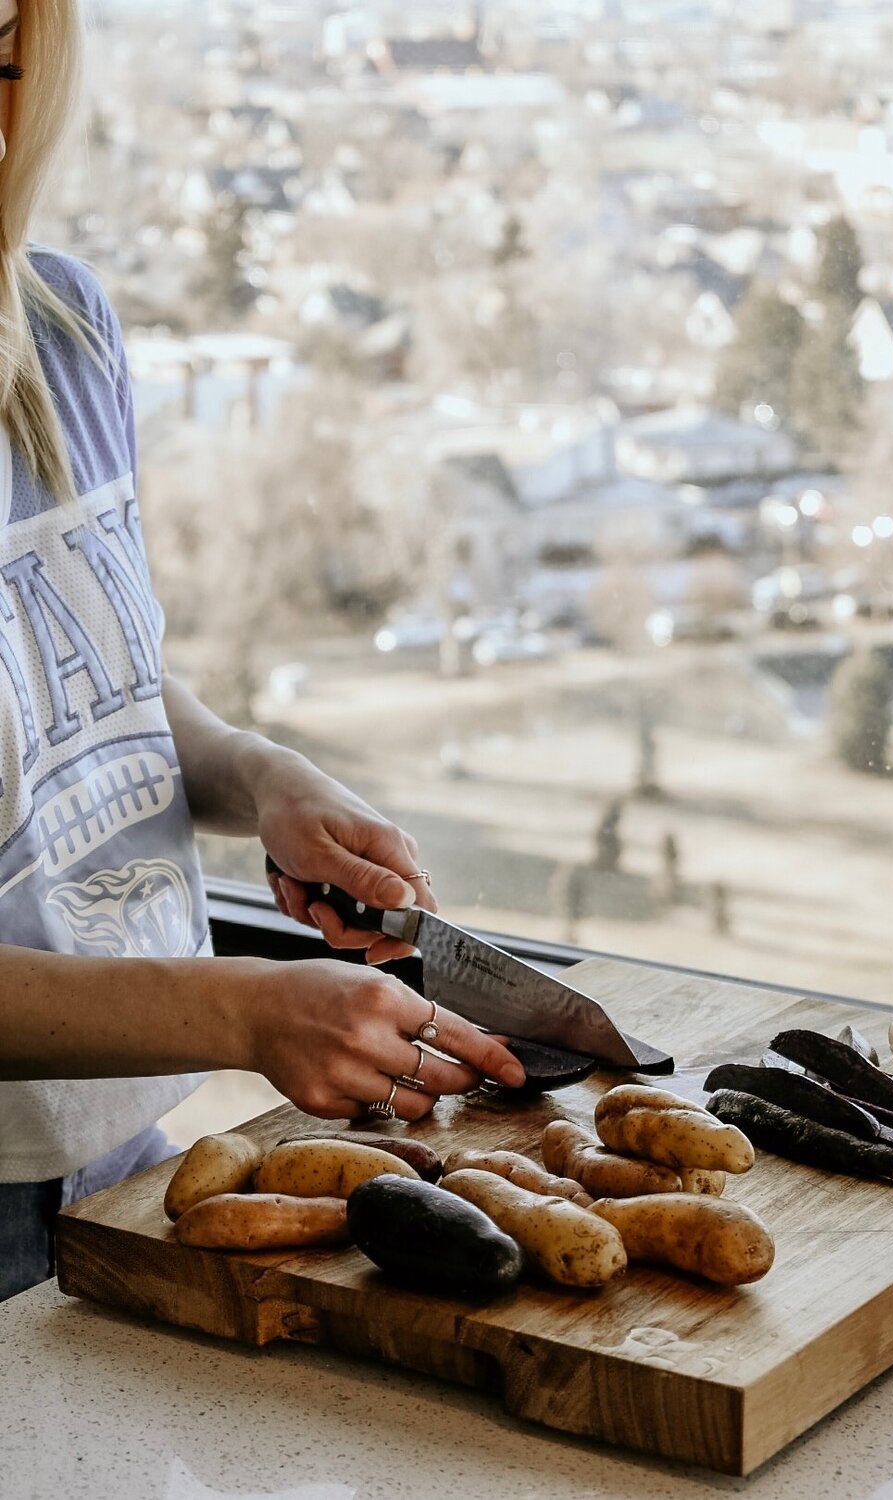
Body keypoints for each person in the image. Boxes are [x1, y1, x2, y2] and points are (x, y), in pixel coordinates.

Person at [0, 1, 524, 1302]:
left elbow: (80, 674)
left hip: (116, 1141)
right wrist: (243, 1011)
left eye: (5, 54)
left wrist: (252, 772)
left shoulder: (57, 326)